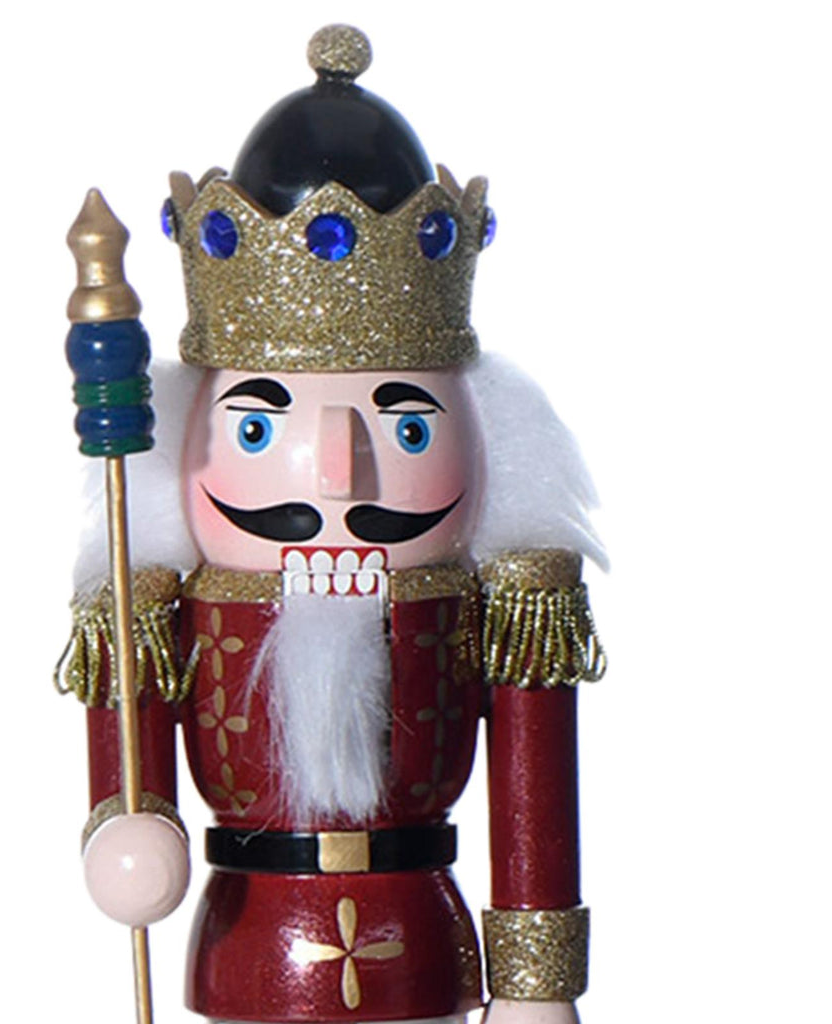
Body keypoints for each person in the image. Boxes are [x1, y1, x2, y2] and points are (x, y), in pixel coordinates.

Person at [58, 25, 606, 1024]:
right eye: (260, 427)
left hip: (425, 954)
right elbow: (129, 772)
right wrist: (128, 831)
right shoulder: (155, 604)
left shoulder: (514, 600)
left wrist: (536, 981)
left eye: (405, 425)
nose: (338, 470)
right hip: (248, 950)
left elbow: (535, 795)